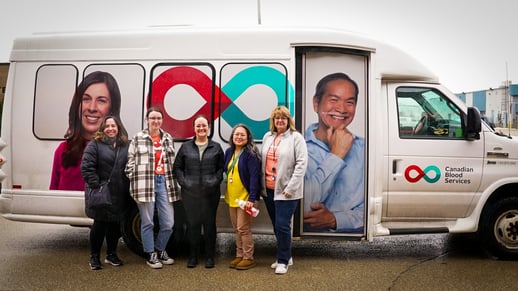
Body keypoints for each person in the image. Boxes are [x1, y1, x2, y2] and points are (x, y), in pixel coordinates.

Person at [303, 72, 365, 233]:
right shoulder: (298, 147)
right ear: (316, 103)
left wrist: (335, 220)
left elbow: (373, 209)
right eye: (334, 100)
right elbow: (302, 205)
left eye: (349, 102)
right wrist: (336, 155)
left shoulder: (366, 149)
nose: (341, 109)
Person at [125, 107, 180, 269]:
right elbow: (130, 162)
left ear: (162, 120)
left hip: (163, 182)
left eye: (158, 118)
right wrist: (134, 178)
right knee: (147, 221)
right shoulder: (138, 138)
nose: (156, 121)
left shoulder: (168, 138)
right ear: (146, 120)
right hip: (144, 183)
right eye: (152, 118)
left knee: (168, 223)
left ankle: (160, 249)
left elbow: (171, 162)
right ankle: (150, 254)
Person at [50, 71, 122, 191]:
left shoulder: (121, 151)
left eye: (101, 100)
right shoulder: (63, 150)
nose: (92, 108)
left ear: (112, 108)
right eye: (86, 99)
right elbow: (52, 193)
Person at [261, 106, 307, 275]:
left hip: (287, 191)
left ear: (289, 121)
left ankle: (282, 261)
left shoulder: (296, 138)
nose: (280, 121)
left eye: (283, 118)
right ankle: (287, 256)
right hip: (269, 189)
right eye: (277, 118)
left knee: (282, 225)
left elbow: (301, 164)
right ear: (273, 121)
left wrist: (291, 187)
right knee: (276, 225)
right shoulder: (268, 136)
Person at [173, 115, 224, 269]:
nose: (201, 129)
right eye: (198, 126)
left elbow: (221, 168)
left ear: (208, 128)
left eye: (204, 126)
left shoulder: (216, 147)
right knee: (192, 225)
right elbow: (177, 167)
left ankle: (209, 257)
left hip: (210, 194)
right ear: (194, 128)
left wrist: (214, 181)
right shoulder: (186, 147)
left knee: (209, 226)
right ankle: (193, 256)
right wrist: (184, 182)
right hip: (190, 194)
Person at [81, 115, 130, 270]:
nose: (110, 129)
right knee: (99, 225)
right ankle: (94, 257)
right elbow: (86, 167)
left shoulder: (125, 145)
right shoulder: (95, 144)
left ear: (118, 128)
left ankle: (111, 255)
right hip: (102, 192)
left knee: (115, 226)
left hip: (119, 193)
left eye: (113, 126)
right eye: (107, 126)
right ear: (102, 129)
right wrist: (97, 185)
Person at [224, 124, 261, 270]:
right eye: (236, 134)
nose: (239, 137)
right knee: (236, 229)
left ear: (248, 138)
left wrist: (251, 199)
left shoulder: (250, 154)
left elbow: (254, 179)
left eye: (242, 135)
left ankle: (248, 257)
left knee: (243, 228)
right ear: (232, 137)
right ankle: (239, 255)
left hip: (246, 199)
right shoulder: (229, 152)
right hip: (232, 197)